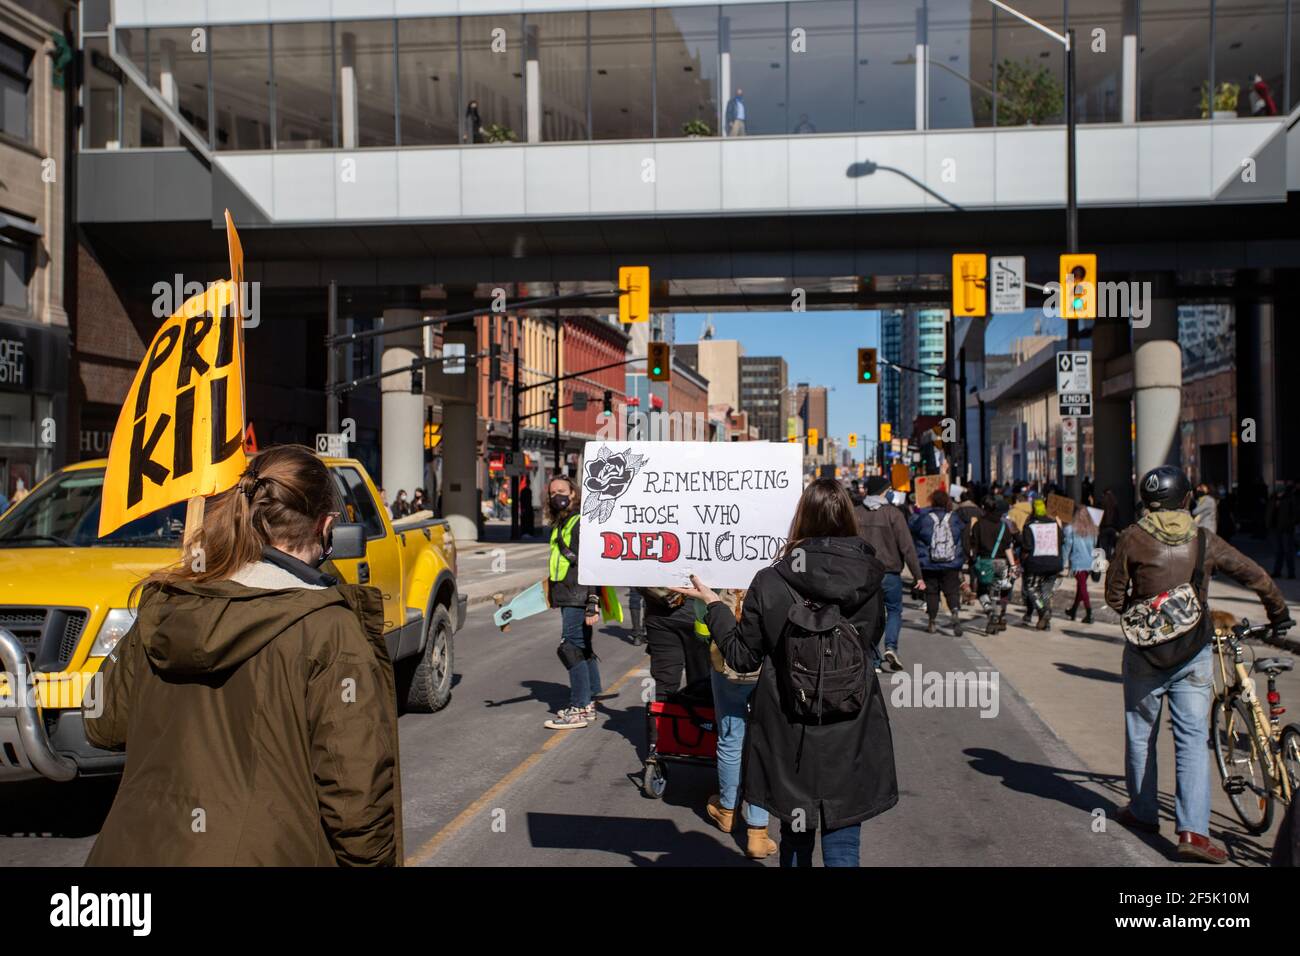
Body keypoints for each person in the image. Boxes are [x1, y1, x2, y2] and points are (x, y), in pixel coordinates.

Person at [83, 445, 400, 865]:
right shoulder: (328, 629)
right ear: (325, 527)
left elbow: (101, 720)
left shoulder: (166, 604)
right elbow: (357, 800)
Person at [673, 478, 896, 867]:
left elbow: (742, 657)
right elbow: (870, 642)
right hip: (851, 722)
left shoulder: (772, 579)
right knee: (844, 844)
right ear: (848, 517)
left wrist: (715, 605)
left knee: (795, 841)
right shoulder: (869, 578)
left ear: (801, 519)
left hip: (787, 729)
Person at [1106, 466, 1290, 863]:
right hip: (1194, 651)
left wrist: (1147, 611)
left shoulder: (1131, 539)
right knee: (1192, 739)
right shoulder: (1204, 540)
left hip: (1144, 654)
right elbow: (1254, 574)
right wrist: (1278, 613)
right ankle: (1193, 831)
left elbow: (1114, 597)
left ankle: (1142, 811)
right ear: (1186, 498)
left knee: (1141, 735)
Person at [700, 589, 776, 860]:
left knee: (731, 736)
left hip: (728, 665)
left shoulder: (722, 567)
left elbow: (701, 626)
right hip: (767, 666)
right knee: (763, 742)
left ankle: (728, 810)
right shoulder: (775, 571)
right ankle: (758, 831)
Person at [543, 475, 602, 730]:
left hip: (578, 594)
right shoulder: (561, 523)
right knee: (582, 646)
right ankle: (588, 703)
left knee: (570, 647)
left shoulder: (578, 523)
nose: (557, 495)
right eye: (553, 492)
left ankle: (578, 707)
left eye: (562, 491)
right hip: (567, 593)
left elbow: (590, 564)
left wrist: (592, 601)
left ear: (574, 493)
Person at [855, 474, 924, 671]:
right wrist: (918, 575)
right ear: (883, 491)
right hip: (890, 573)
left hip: (864, 573)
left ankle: (873, 659)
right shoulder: (893, 514)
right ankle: (891, 646)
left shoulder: (856, 513)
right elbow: (907, 547)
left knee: (870, 615)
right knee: (893, 611)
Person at [909, 489, 966, 635]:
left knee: (932, 593)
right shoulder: (954, 518)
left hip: (929, 563)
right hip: (951, 562)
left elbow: (913, 528)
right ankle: (954, 612)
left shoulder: (925, 518)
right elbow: (961, 532)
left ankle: (932, 621)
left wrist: (918, 510)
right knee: (952, 590)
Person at [968, 496, 1019, 634]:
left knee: (982, 592)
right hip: (1001, 563)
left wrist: (972, 561)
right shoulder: (1003, 526)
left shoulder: (978, 525)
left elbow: (974, 547)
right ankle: (996, 615)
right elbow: (1008, 547)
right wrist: (1013, 566)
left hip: (985, 562)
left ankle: (990, 612)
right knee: (996, 591)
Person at [1020, 499, 1064, 630]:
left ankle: (1042, 610)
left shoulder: (1029, 526)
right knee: (1046, 591)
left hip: (1036, 564)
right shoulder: (1054, 524)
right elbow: (1062, 541)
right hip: (1053, 563)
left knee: (1032, 589)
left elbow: (1026, 547)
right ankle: (1045, 621)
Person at [1064, 505, 1099, 624]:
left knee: (1082, 587)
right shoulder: (1093, 529)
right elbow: (1094, 546)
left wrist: (1063, 561)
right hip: (1089, 562)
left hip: (1077, 561)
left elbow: (1067, 546)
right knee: (1081, 586)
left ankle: (1089, 613)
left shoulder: (1070, 529)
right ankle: (1073, 610)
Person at [1266, 482, 1297, 579]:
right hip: (1275, 528)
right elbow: (1269, 512)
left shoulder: (1290, 498)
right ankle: (1277, 571)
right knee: (1278, 551)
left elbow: (1295, 513)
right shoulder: (1273, 498)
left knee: (1288, 551)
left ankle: (1291, 573)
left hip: (1286, 529)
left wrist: (1290, 523)